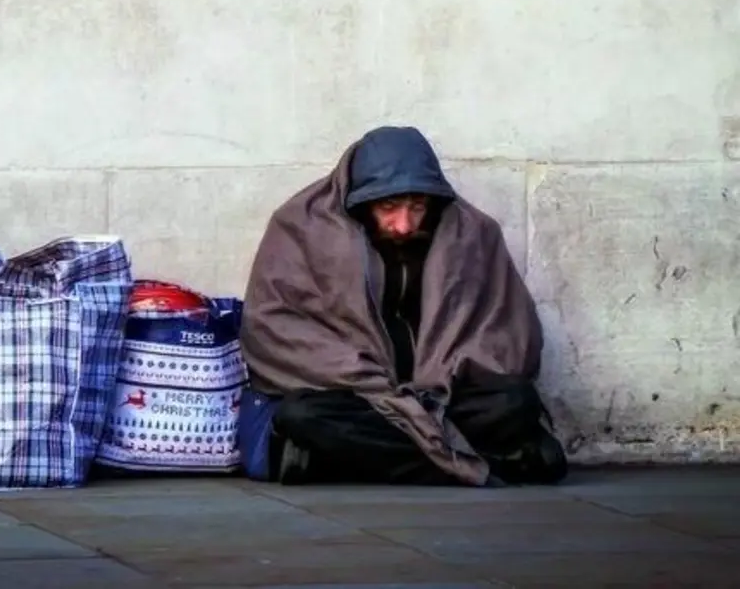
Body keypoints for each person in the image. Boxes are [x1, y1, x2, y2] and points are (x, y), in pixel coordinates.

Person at [237, 125, 567, 487]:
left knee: (515, 402)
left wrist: (447, 370)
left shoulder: (472, 233)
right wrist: (363, 375)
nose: (404, 225)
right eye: (388, 208)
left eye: (417, 207)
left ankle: (407, 461)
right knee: (302, 416)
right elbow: (274, 329)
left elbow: (507, 329)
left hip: (444, 398)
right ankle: (468, 467)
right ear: (359, 202)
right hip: (356, 396)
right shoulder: (300, 228)